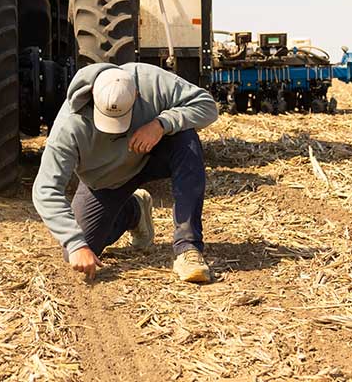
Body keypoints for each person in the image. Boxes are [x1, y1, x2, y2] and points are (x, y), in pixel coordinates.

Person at [32, 62, 218, 283]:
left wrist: (161, 124)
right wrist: (75, 244)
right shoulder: (69, 126)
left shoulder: (151, 81)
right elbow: (45, 189)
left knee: (185, 138)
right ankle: (134, 211)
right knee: (83, 248)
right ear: (92, 96)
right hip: (108, 179)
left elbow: (207, 106)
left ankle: (188, 247)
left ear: (137, 95)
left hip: (152, 153)